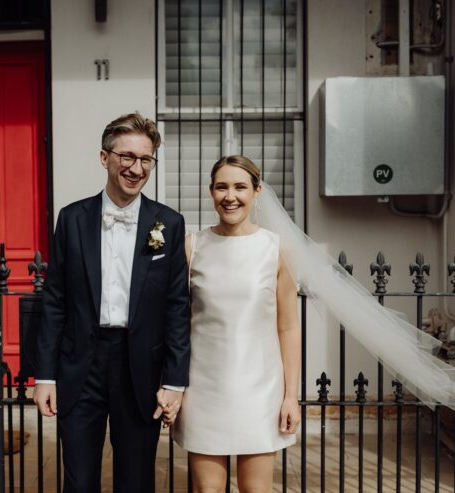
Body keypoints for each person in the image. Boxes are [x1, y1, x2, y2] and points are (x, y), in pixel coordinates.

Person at [33, 113, 191, 493]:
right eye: (127, 157)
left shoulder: (168, 224)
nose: (137, 168)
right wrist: (45, 376)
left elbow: (177, 306)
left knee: (136, 481)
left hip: (140, 367)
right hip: (80, 364)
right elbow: (55, 300)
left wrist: (174, 380)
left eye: (146, 159)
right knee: (79, 481)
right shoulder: (72, 218)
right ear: (105, 157)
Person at [171, 155, 301, 493]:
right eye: (222, 187)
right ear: (211, 192)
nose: (230, 196)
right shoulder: (191, 247)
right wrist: (172, 387)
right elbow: (176, 323)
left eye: (240, 187)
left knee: (255, 490)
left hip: (260, 390)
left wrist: (290, 396)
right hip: (203, 388)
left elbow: (288, 327)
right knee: (207, 490)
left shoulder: (276, 249)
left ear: (257, 191)